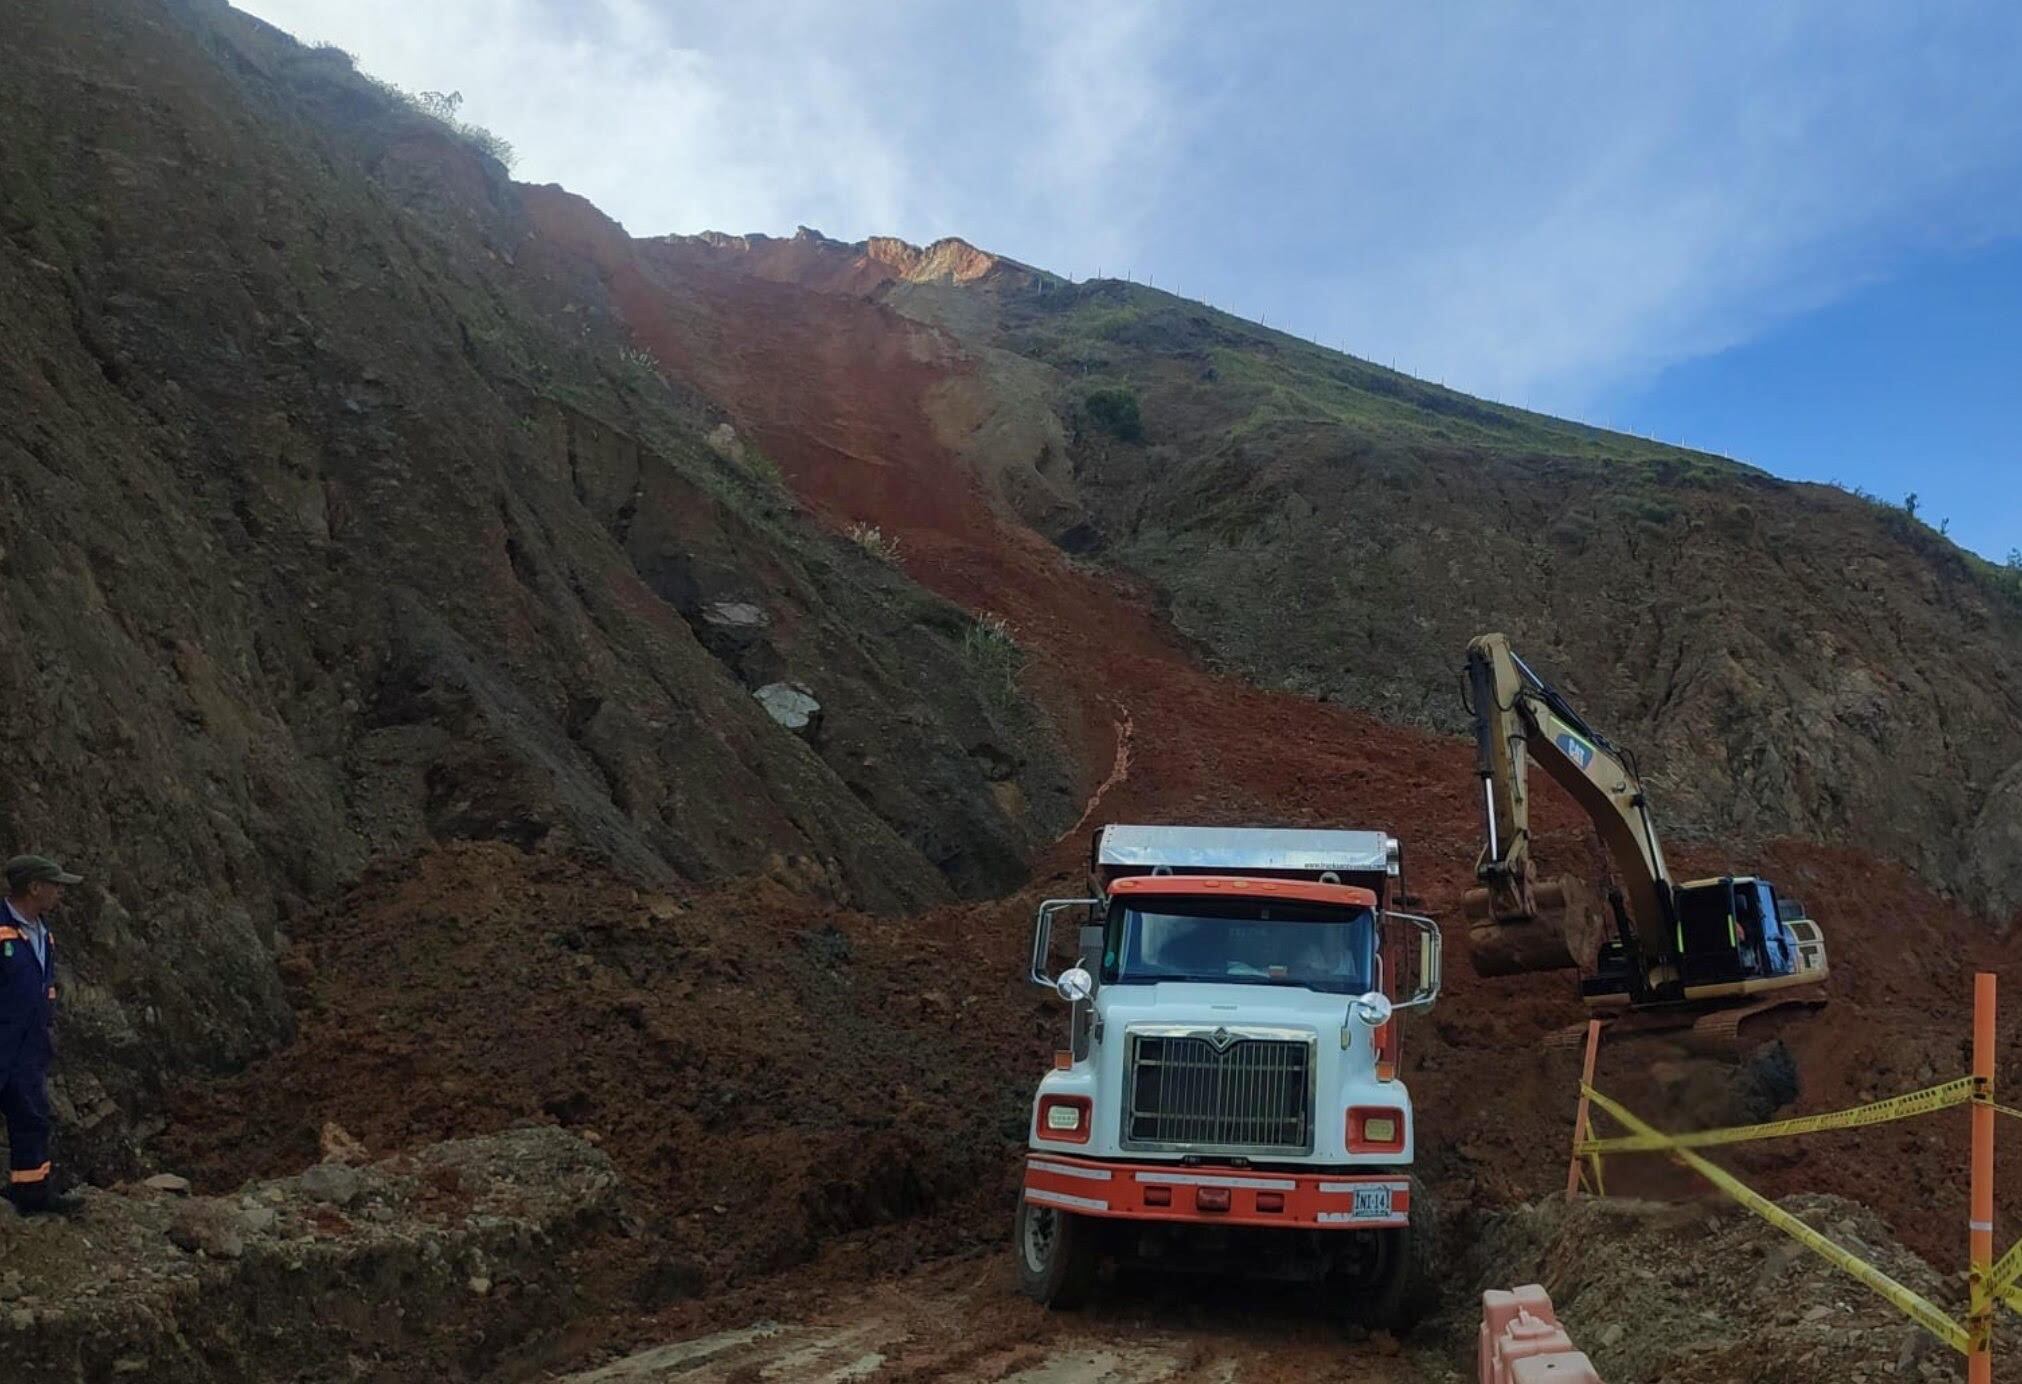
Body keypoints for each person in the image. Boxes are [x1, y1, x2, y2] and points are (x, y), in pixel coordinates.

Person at [1, 854, 81, 1214]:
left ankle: (31, 1194)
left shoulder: (43, 934)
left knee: (31, 1119)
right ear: (34, 887)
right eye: (55, 885)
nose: (60, 892)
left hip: (29, 1047)